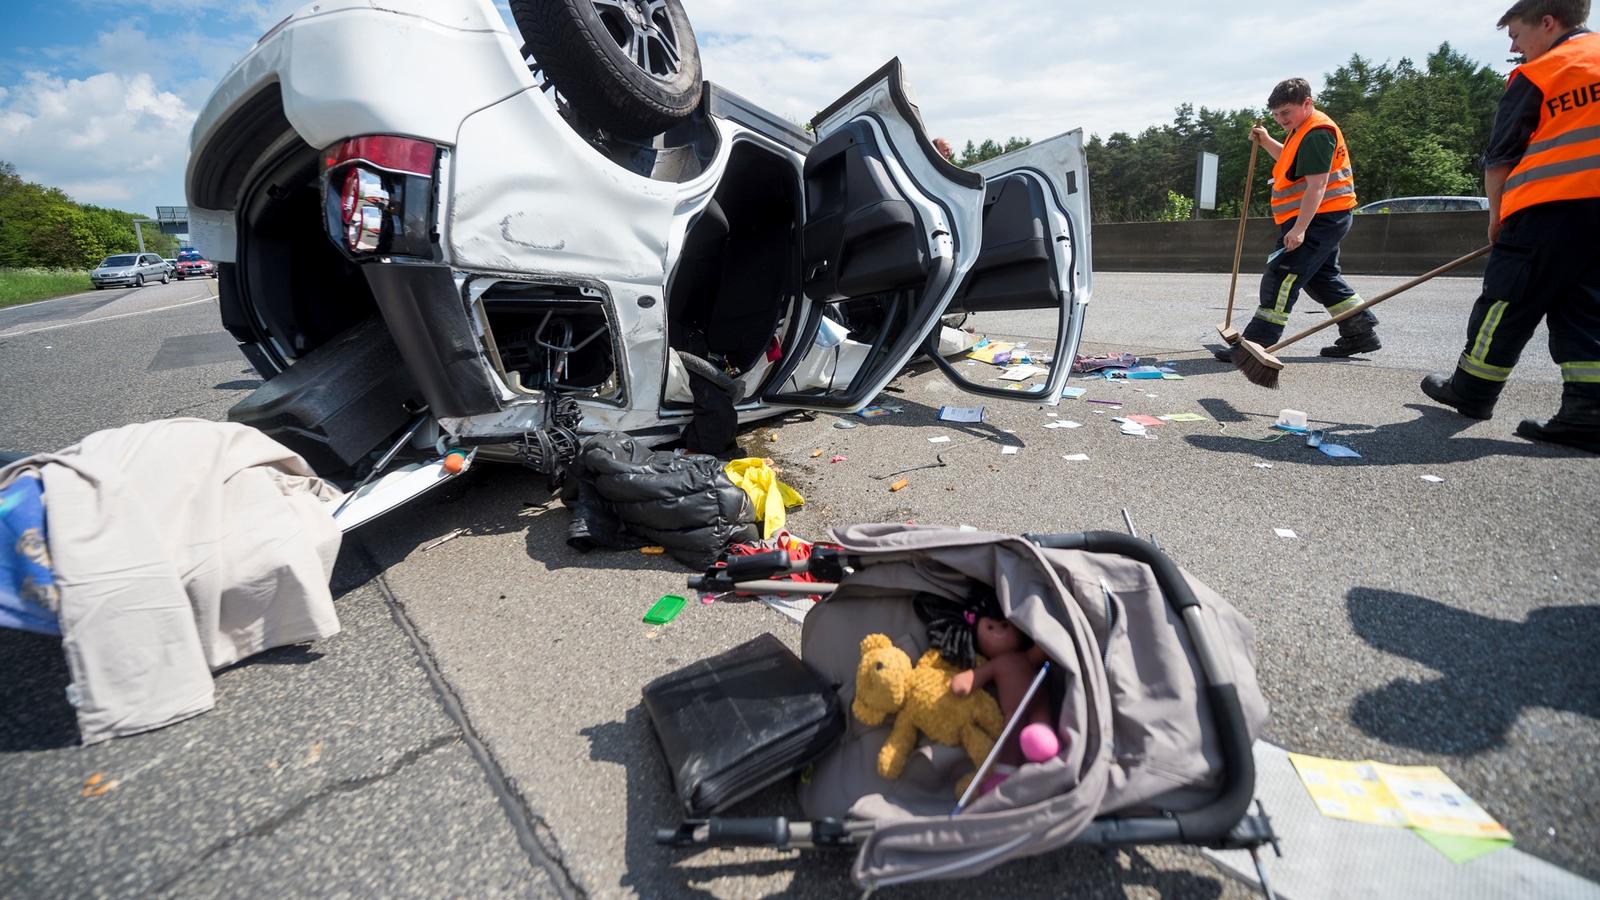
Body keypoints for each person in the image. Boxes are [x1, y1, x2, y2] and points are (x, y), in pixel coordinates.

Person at [1420, 0, 1600, 454]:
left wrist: (1498, 219)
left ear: (1547, 21)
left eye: (1517, 36)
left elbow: (1500, 158)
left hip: (1546, 209)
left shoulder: (1541, 73)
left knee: (1505, 303)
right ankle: (1588, 413)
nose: (1514, 47)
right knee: (1586, 310)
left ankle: (1472, 392)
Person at [1213, 78, 1380, 361]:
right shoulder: (1302, 130)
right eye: (1276, 115)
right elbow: (1290, 163)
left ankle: (1256, 344)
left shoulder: (1316, 133)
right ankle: (1359, 330)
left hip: (1318, 218)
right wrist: (1266, 140)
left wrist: (1300, 229)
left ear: (1307, 103)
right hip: (1324, 216)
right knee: (1321, 278)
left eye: (1286, 113)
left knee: (1283, 274)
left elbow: (1317, 185)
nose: (1280, 119)